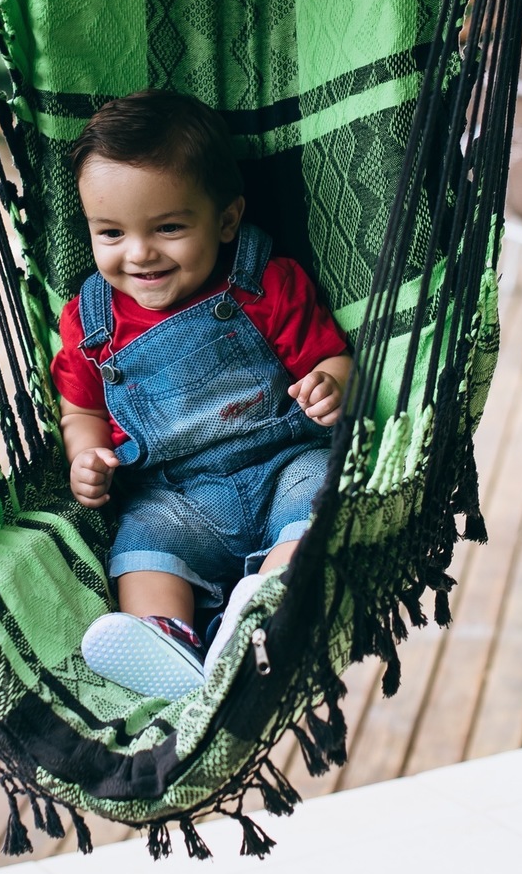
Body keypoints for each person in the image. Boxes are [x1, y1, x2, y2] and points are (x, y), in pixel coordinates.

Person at [52, 90, 351, 703]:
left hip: (282, 465)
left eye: (168, 228)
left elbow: (331, 358)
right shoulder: (90, 321)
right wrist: (87, 455)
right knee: (142, 545)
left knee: (320, 498)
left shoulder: (266, 284)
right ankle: (167, 639)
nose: (139, 253)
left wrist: (332, 384)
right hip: (173, 495)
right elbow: (81, 409)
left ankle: (263, 607)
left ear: (226, 220)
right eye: (111, 233)